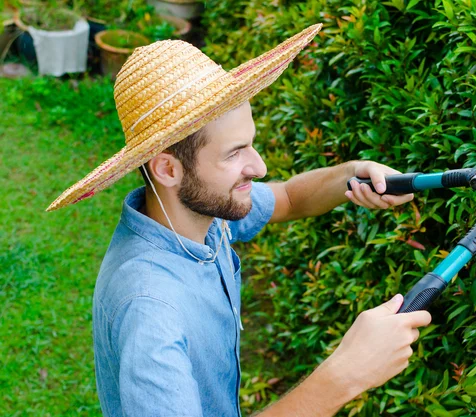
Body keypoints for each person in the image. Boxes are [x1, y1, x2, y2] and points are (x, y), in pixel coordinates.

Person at [47, 24, 431, 417]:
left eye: (251, 143)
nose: (260, 167)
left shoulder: (198, 215)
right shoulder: (150, 312)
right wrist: (346, 374)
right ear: (167, 169)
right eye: (235, 153)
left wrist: (355, 173)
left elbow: (288, 198)